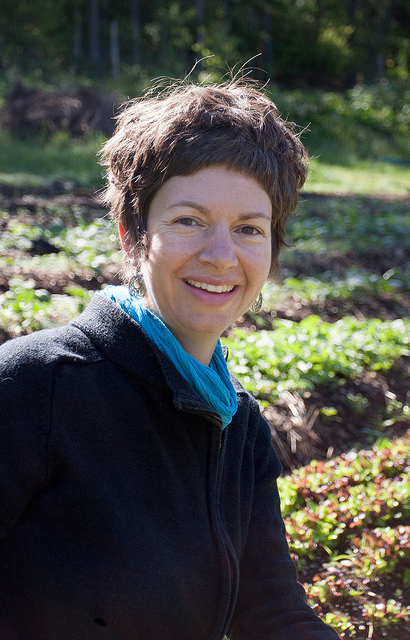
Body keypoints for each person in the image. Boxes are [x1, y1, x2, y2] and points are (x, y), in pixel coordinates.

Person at [0, 80, 340, 639]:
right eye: (189, 220)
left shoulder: (238, 427)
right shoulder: (39, 387)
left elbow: (272, 613)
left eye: (249, 229)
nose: (221, 256)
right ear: (133, 234)